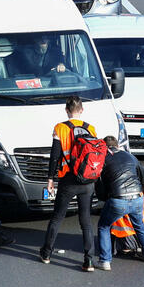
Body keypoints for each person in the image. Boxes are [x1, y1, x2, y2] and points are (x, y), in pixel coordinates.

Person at [40, 96, 98, 272]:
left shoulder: (60, 128)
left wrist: (50, 179)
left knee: (57, 217)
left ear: (66, 110)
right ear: (81, 110)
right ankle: (88, 261)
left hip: (68, 180)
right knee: (86, 222)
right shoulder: (91, 128)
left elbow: (55, 156)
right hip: (88, 181)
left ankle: (47, 253)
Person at [93, 136, 144, 271]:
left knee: (104, 226)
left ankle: (105, 261)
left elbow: (100, 184)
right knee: (140, 226)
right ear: (118, 145)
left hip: (118, 199)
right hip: (137, 198)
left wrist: (104, 199)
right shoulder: (130, 156)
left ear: (104, 147)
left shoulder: (104, 159)